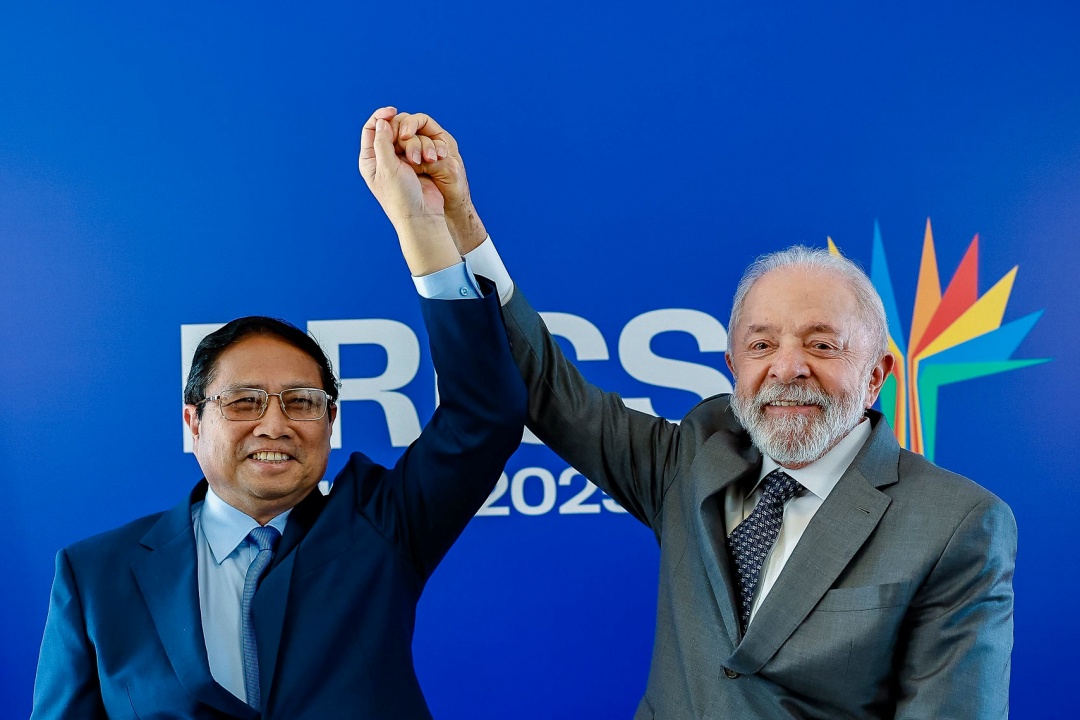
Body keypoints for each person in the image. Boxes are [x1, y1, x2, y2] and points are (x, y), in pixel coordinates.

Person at [386, 111, 1017, 719]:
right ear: (733, 366)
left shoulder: (957, 525)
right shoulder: (694, 456)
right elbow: (549, 389)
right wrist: (457, 218)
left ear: (877, 374)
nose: (787, 368)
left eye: (822, 345)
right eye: (762, 345)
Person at [31, 106, 526, 720]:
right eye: (244, 401)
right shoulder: (95, 574)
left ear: (330, 421)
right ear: (193, 423)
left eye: (301, 402)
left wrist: (420, 224)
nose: (275, 424)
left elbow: (485, 415)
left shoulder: (380, 527)